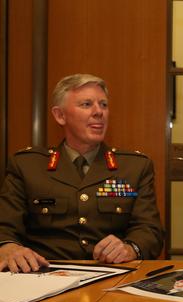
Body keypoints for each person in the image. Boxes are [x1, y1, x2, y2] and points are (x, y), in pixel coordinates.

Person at [0, 74, 164, 272]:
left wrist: (130, 248)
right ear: (60, 115)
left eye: (103, 105)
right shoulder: (27, 166)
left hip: (111, 274)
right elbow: (5, 227)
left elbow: (150, 231)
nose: (99, 112)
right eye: (86, 104)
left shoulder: (134, 167)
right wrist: (8, 247)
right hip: (44, 274)